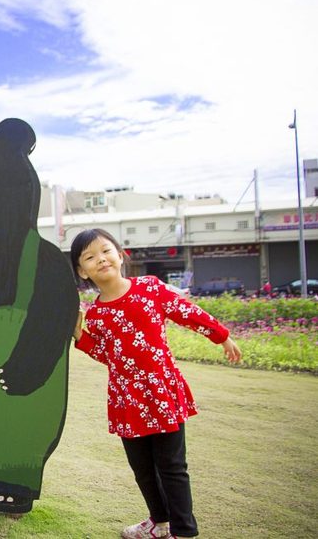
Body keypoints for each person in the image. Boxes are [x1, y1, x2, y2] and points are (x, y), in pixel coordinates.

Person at [70, 229, 241, 539]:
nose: (101, 259)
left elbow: (187, 312)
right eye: (90, 257)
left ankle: (183, 532)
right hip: (126, 398)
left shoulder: (149, 288)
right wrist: (81, 335)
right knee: (143, 470)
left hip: (160, 392)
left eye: (106, 251)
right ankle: (159, 523)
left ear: (120, 255)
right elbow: (108, 355)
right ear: (83, 271)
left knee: (172, 466)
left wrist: (222, 336)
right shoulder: (95, 314)